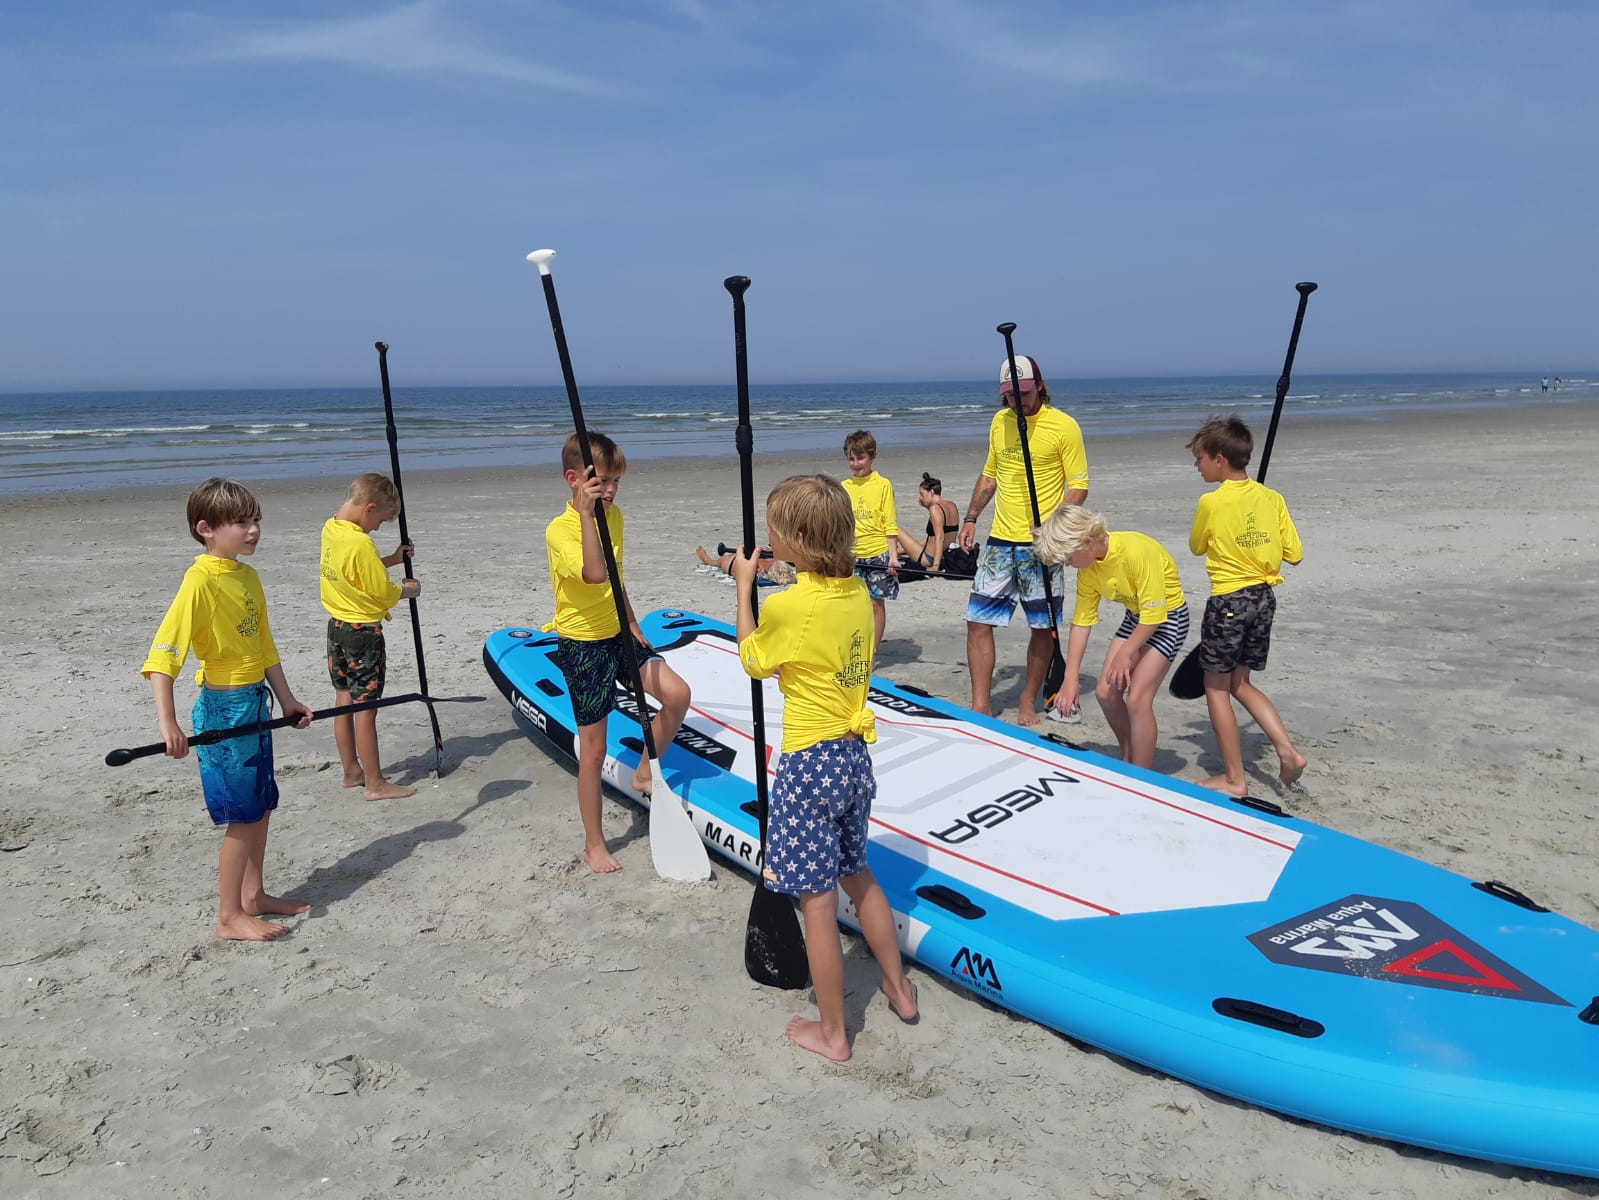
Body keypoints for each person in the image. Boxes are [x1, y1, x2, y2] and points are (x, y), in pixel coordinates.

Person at [730, 475, 919, 1061]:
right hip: (853, 756)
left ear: (792, 538)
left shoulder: (789, 605)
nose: (767, 537)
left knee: (816, 900)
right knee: (857, 874)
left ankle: (834, 1033)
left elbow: (754, 660)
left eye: (773, 529)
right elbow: (816, 617)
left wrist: (743, 591)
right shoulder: (858, 593)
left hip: (810, 762)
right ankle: (899, 987)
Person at [141, 477, 314, 942]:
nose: (253, 529)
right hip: (224, 711)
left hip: (256, 701)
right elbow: (164, 656)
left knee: (261, 808)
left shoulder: (247, 576)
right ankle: (228, 916)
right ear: (206, 529)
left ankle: (254, 896)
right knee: (241, 817)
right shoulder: (199, 581)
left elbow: (264, 645)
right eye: (241, 522)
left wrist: (287, 699)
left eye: (256, 520)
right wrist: (168, 722)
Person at [545, 431, 692, 873]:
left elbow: (615, 575)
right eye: (601, 482)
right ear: (575, 479)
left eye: (615, 482)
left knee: (678, 694)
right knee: (593, 749)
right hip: (583, 645)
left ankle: (645, 770)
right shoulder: (561, 530)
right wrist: (589, 516)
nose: (610, 491)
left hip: (617, 635)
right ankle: (594, 843)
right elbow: (593, 573)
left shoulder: (618, 517)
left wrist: (631, 620)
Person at [958, 354, 1090, 725]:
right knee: (978, 621)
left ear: (1040, 386)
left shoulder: (1064, 427)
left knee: (1041, 627)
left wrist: (1052, 527)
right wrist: (970, 518)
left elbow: (1078, 485)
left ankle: (1028, 700)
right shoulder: (1000, 423)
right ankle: (981, 704)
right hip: (1000, 542)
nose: (1018, 401)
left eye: (1025, 393)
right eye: (1012, 395)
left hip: (1042, 546)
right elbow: (990, 475)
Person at [1187, 415, 1308, 795]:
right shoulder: (1271, 498)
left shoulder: (1212, 501)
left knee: (1217, 687)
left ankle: (1235, 779)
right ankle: (1288, 751)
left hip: (1229, 599)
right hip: (1263, 598)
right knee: (1241, 681)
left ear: (1219, 459)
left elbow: (1196, 546)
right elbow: (1295, 553)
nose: (1197, 465)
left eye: (1200, 458)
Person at [1033, 506, 1189, 769]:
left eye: (1069, 559)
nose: (1069, 566)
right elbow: (1082, 623)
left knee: (1138, 698)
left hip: (1167, 619)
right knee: (1105, 692)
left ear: (1086, 541)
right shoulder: (1089, 568)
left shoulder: (1137, 551)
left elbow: (1154, 616)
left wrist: (1127, 653)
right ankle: (1130, 756)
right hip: (1136, 618)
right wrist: (1069, 680)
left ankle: (1143, 775)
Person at [320, 472, 422, 801]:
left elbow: (357, 573)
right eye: (381, 520)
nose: (378, 528)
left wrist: (393, 559)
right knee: (367, 707)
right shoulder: (361, 542)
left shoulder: (331, 528)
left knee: (343, 699)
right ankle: (375, 784)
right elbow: (379, 591)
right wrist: (406, 589)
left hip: (336, 628)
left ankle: (352, 771)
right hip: (362, 634)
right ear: (369, 508)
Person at [840, 430, 900, 651]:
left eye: (860, 458)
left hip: (878, 552)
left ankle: (871, 653)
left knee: (875, 603)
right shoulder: (844, 487)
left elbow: (890, 523)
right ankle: (854, 648)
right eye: (851, 458)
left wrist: (893, 557)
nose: (856, 464)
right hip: (852, 555)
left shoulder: (883, 484)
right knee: (852, 605)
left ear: (872, 457)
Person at [892, 472, 965, 573]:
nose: (921, 498)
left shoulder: (935, 509)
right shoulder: (952, 505)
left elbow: (940, 538)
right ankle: (897, 552)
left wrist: (936, 565)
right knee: (926, 540)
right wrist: (927, 507)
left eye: (922, 494)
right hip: (946, 556)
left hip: (927, 559)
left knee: (893, 527)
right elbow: (944, 528)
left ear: (931, 492)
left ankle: (891, 554)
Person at [694, 544, 797, 586]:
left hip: (733, 564)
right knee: (720, 562)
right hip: (739, 562)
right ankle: (708, 560)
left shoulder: (763, 567)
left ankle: (706, 559)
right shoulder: (773, 559)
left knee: (718, 562)